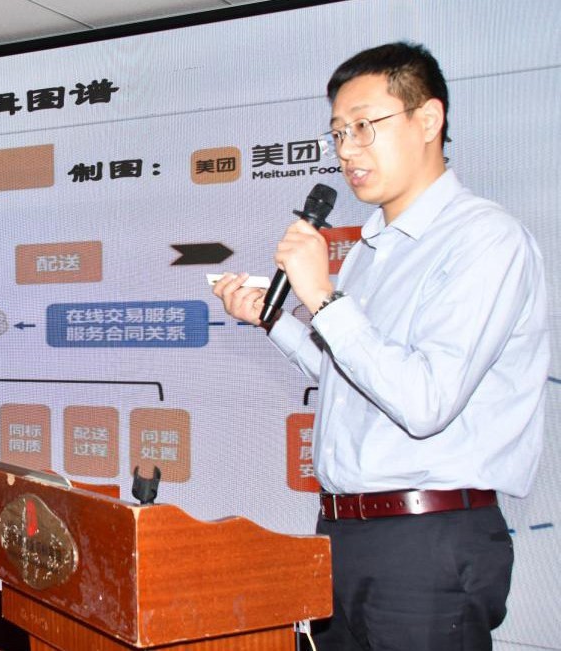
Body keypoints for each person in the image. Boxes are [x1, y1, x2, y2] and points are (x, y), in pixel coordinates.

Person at [213, 42, 548, 650]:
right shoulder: (373, 249)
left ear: (428, 119)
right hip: (343, 530)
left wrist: (322, 296)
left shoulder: (485, 240)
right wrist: (274, 319)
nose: (346, 150)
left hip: (428, 540)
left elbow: (424, 401)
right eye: (338, 133)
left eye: (364, 126)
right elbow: (351, 376)